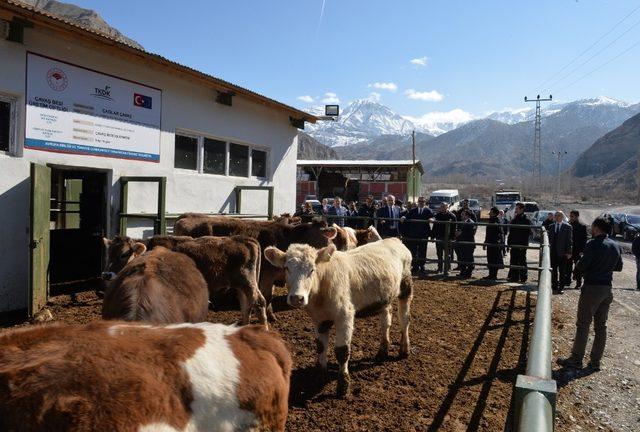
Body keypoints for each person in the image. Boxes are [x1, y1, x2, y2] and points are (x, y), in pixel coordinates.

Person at [557, 217, 622, 371]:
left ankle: (576, 359)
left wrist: (579, 262)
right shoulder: (615, 245)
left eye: (592, 226)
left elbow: (582, 265)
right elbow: (618, 267)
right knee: (601, 326)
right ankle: (595, 362)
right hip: (607, 288)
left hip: (592, 288)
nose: (591, 229)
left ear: (597, 228)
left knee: (583, 324)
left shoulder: (593, 244)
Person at [401, 196, 433, 274]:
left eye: (422, 201)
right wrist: (403, 217)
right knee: (413, 250)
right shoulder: (413, 210)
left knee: (423, 250)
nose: (421, 203)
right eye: (420, 201)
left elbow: (433, 217)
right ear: (418, 202)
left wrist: (432, 219)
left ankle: (422, 266)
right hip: (414, 234)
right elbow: (407, 216)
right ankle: (415, 266)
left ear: (425, 202)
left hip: (423, 234)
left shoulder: (428, 210)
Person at [549, 211, 573, 295]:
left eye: (559, 215)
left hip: (562, 253)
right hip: (553, 252)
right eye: (556, 216)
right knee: (553, 270)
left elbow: (569, 240)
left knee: (562, 271)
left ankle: (561, 287)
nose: (557, 217)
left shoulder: (567, 227)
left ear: (562, 217)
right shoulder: (551, 226)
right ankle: (554, 286)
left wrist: (569, 252)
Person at [507, 202, 531, 283]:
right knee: (513, 260)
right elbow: (511, 232)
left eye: (517, 208)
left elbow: (527, 234)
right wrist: (509, 243)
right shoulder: (514, 220)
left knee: (522, 261)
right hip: (514, 243)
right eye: (516, 208)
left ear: (522, 209)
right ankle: (514, 277)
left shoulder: (526, 220)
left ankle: (523, 277)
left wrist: (524, 245)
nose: (516, 210)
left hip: (521, 244)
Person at [432, 202, 457, 273]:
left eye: (444, 206)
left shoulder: (452, 216)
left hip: (448, 238)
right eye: (441, 207)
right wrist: (433, 236)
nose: (442, 208)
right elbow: (435, 227)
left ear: (447, 207)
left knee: (448, 254)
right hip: (439, 237)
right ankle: (439, 268)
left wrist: (452, 238)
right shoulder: (438, 215)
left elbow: (454, 228)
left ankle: (447, 268)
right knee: (439, 254)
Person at [568, 210, 588, 289]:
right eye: (570, 216)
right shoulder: (568, 225)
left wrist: (582, 250)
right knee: (568, 266)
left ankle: (578, 283)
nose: (571, 218)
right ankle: (567, 281)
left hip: (578, 250)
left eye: (572, 216)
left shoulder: (582, 226)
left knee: (578, 267)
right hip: (569, 249)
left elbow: (584, 239)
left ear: (577, 216)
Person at [484, 207, 504, 280]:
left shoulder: (496, 222)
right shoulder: (491, 221)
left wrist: (500, 242)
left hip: (495, 243)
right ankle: (491, 274)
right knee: (490, 259)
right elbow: (488, 233)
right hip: (490, 243)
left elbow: (500, 233)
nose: (490, 214)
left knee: (494, 259)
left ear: (495, 214)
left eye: (491, 212)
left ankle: (493, 275)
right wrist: (486, 241)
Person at [455, 209, 476, 278]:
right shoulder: (461, 222)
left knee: (469, 258)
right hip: (461, 243)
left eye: (463, 214)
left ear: (467, 215)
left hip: (468, 243)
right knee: (461, 258)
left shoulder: (471, 222)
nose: (461, 215)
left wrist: (460, 234)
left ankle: (468, 273)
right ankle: (463, 272)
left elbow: (471, 233)